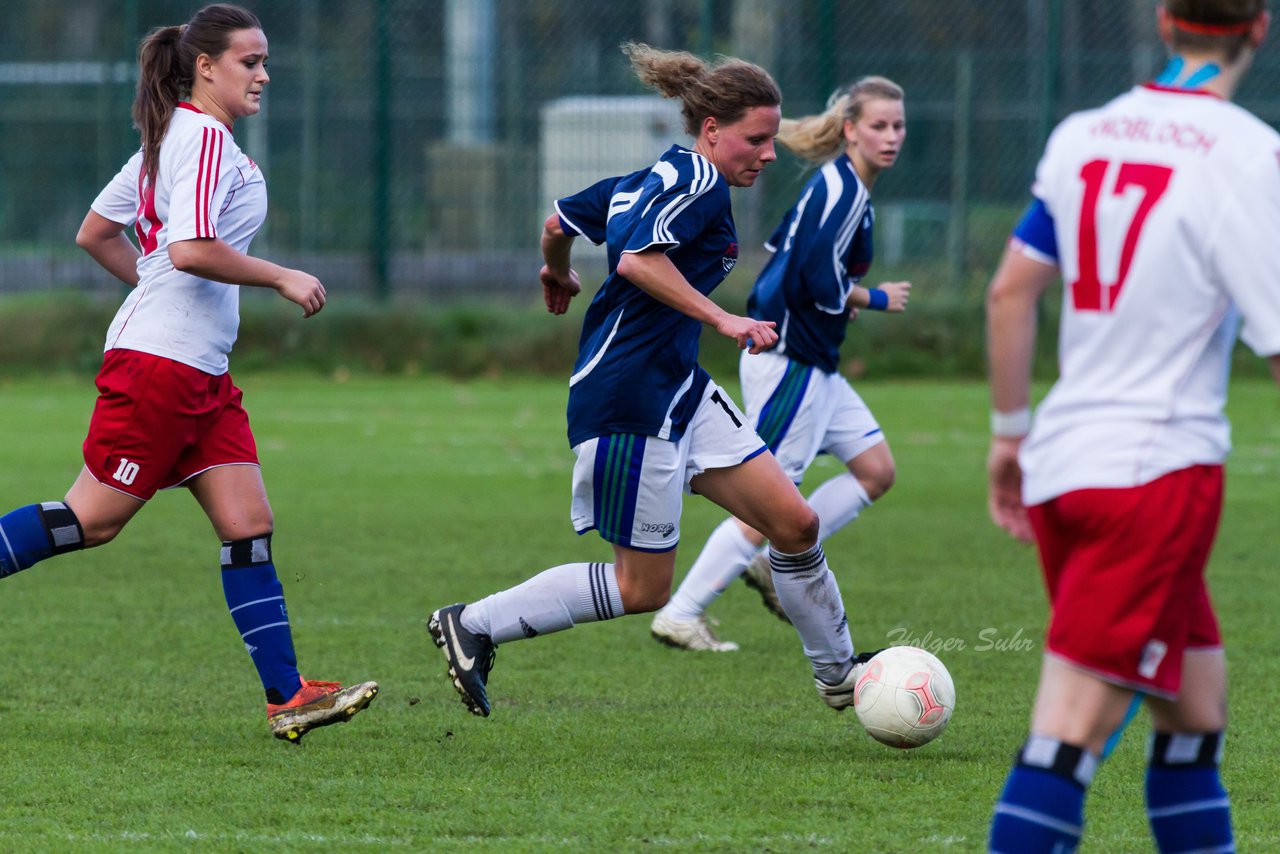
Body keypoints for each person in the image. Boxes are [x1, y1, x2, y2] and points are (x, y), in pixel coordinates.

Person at [428, 43, 878, 718]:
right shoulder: (694, 182)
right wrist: (722, 319)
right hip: (629, 398)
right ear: (712, 130)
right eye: (757, 139)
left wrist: (556, 269)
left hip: (677, 387)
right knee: (643, 589)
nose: (769, 152)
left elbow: (557, 223)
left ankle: (840, 674)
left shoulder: (660, 176)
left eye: (772, 139)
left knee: (795, 521)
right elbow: (639, 263)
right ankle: (475, 623)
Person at [0, 4, 376, 743]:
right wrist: (280, 276)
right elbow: (191, 250)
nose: (264, 74)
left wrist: (152, 299)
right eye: (250, 61)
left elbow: (96, 234)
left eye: (265, 60)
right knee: (89, 521)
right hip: (161, 370)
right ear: (206, 67)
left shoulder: (170, 136)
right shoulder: (198, 135)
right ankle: (287, 694)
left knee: (248, 525)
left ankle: (288, 697)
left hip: (197, 371)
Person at [985, 1, 1278, 849]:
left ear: (1163, 20)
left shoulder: (1084, 133)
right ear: (1258, 28)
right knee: (1066, 737)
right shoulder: (1248, 154)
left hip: (1067, 465)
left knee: (1195, 714)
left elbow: (1010, 292)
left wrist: (1009, 434)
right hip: (1155, 478)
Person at [649, 76, 912, 652]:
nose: (890, 136)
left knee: (876, 470)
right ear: (850, 130)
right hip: (790, 359)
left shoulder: (844, 188)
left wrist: (841, 299)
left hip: (816, 361)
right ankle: (682, 612)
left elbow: (784, 250)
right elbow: (814, 277)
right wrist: (872, 297)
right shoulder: (842, 191)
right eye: (878, 126)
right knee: (768, 502)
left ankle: (773, 562)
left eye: (897, 126)